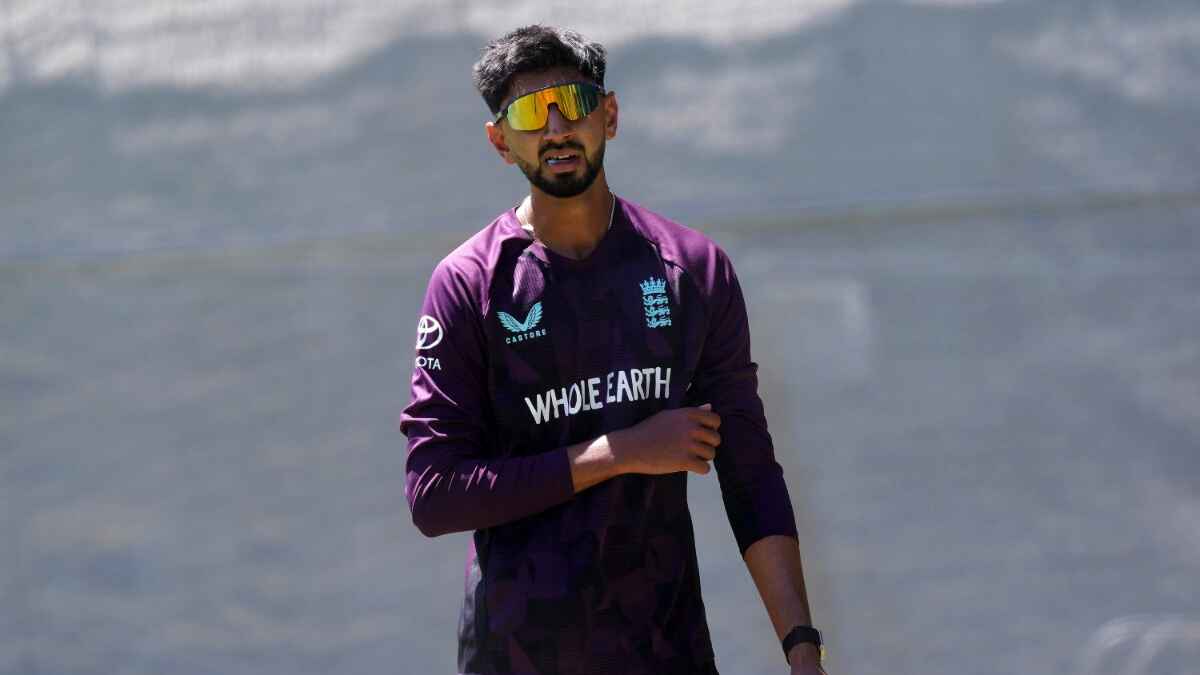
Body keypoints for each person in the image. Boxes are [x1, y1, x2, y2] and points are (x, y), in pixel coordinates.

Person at [399, 25, 826, 675]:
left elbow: (751, 471)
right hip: (516, 656)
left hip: (666, 650)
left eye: (572, 101)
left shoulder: (692, 269)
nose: (555, 128)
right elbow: (434, 492)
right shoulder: (468, 284)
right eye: (527, 113)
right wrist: (617, 452)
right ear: (499, 143)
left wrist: (802, 647)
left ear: (610, 114)